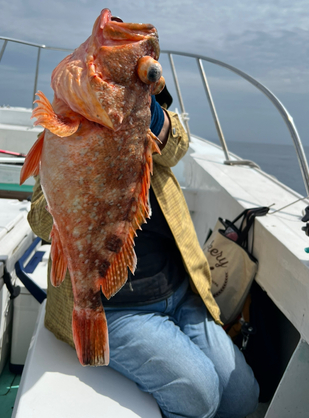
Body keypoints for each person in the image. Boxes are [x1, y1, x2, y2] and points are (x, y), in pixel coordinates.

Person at [27, 90, 259, 418]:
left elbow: (177, 146)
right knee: (200, 394)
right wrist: (75, 187)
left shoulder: (143, 124)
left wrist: (148, 106)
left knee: (242, 397)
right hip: (116, 309)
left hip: (180, 292)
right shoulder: (63, 134)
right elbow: (38, 219)